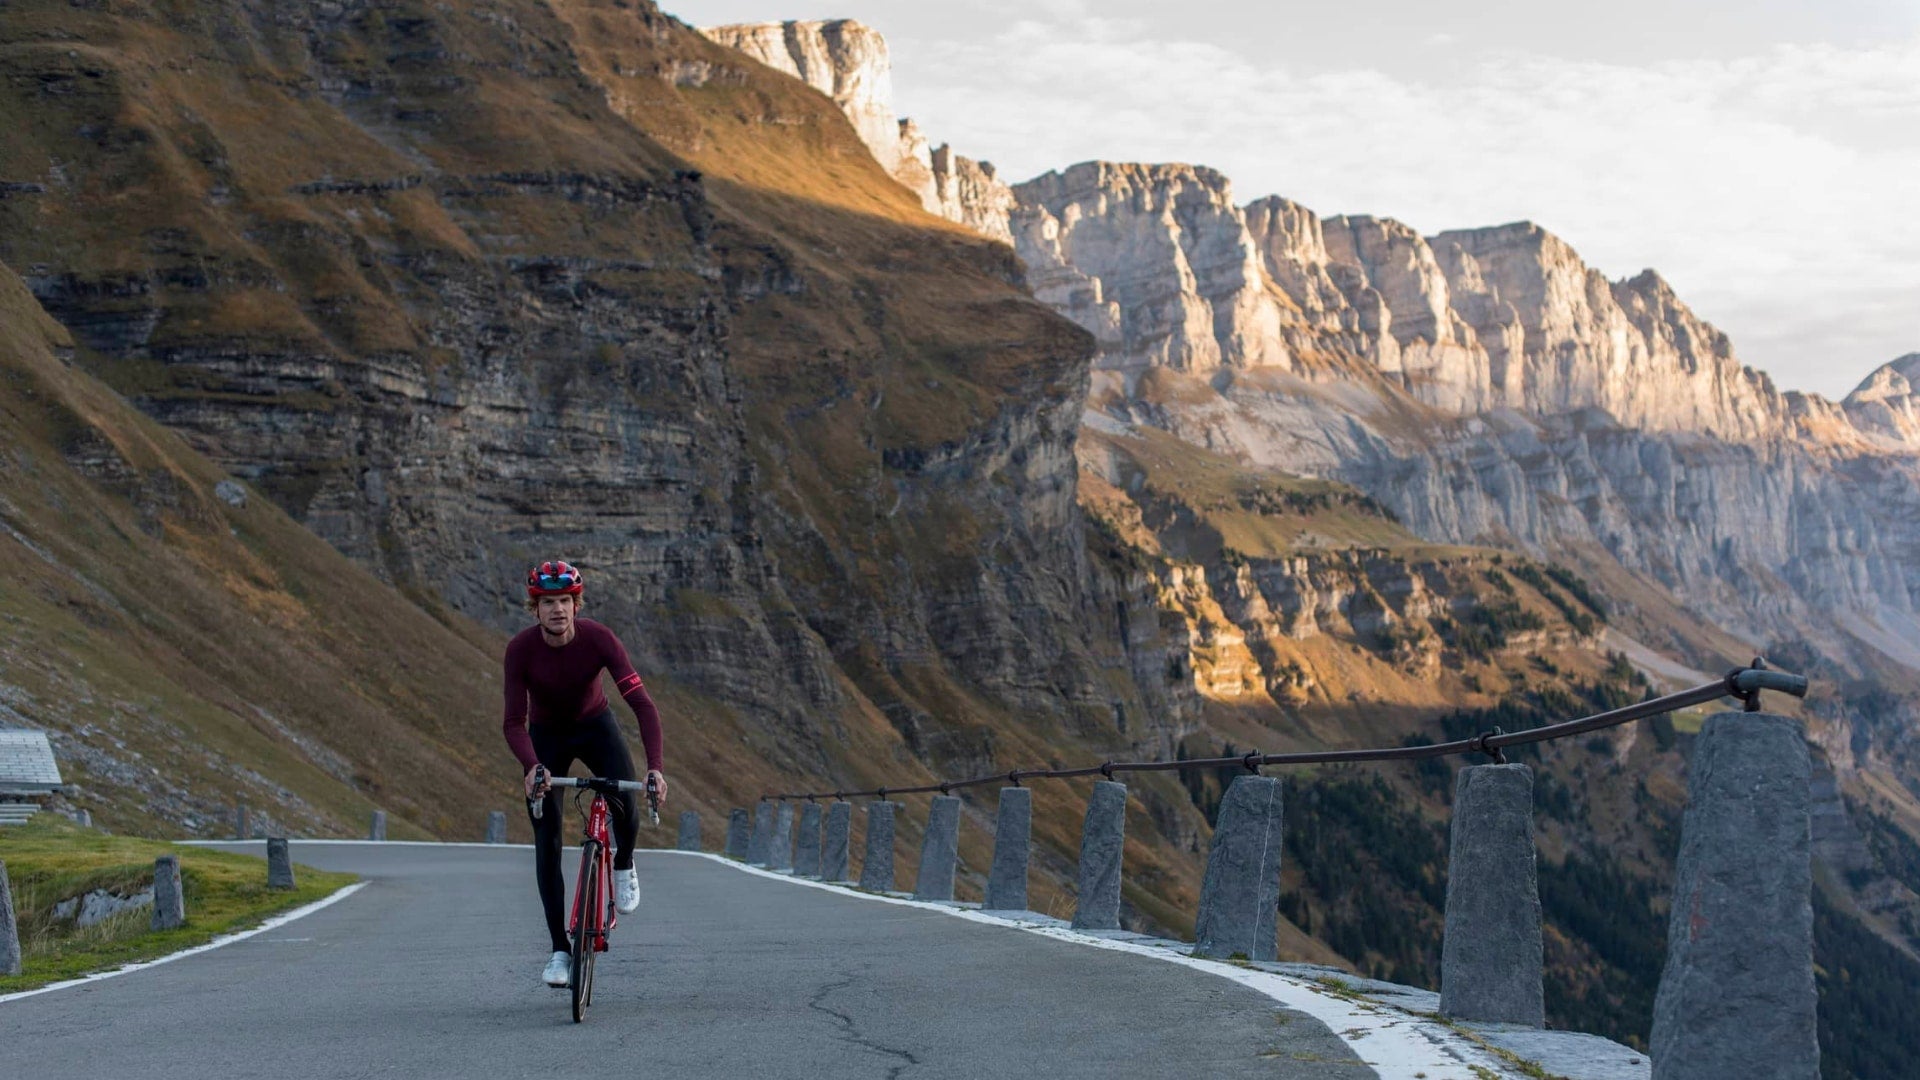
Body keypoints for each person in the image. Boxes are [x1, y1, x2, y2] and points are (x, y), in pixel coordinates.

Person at [503, 559, 667, 987]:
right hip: (546, 739)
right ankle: (560, 950)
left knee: (625, 804)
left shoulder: (599, 640)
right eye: (547, 602)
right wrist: (532, 765)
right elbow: (512, 722)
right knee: (547, 837)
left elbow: (643, 705)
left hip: (596, 727)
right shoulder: (520, 650)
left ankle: (624, 864)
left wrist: (655, 769)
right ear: (534, 609)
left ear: (577, 606)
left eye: (565, 601)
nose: (557, 610)